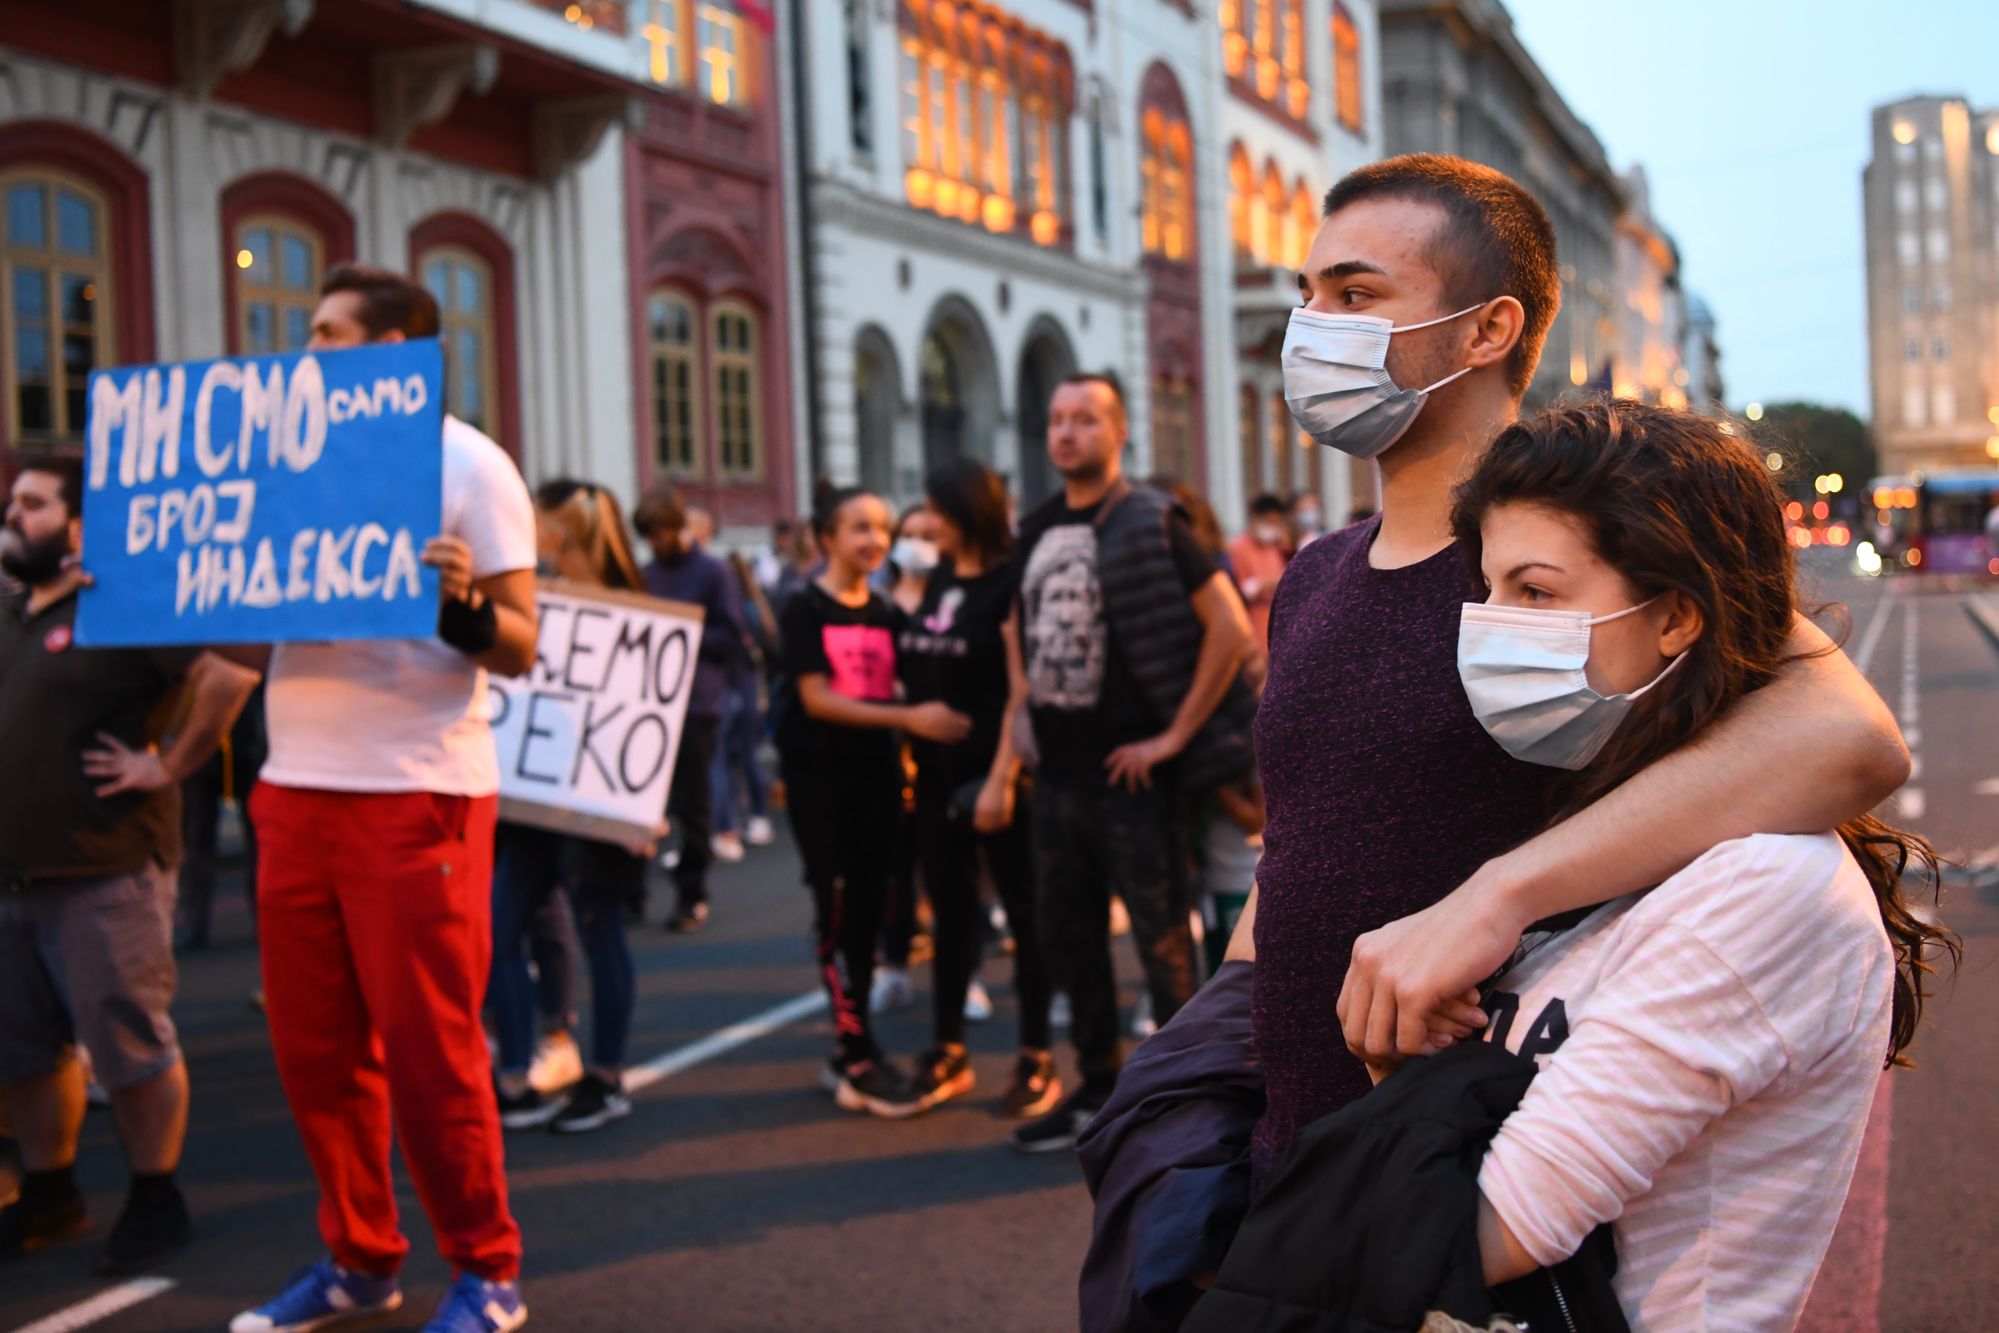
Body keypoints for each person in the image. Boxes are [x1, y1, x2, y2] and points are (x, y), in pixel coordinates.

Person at [1224, 154, 1907, 1190]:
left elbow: (1850, 738)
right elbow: (1301, 834)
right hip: (1290, 1172)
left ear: (1487, 330)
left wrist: (1494, 897)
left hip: (1487, 1185)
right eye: (1308, 295)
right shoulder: (1315, 573)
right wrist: (1205, 1051)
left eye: (1356, 295)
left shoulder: (1572, 557)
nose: (1312, 327)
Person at [1439, 399, 1955, 1328]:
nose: (1490, 624)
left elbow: (1490, 1227)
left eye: (1537, 591)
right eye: (1488, 590)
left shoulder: (1765, 885)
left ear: (1677, 615)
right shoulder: (1605, 829)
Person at [232, 265, 539, 1333]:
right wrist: (144, 585)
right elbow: (238, 625)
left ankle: (487, 1271)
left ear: (398, 347)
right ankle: (361, 1255)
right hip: (293, 787)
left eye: (326, 333)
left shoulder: (468, 462)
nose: (305, 350)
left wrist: (455, 607)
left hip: (416, 794)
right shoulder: (280, 456)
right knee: (314, 1049)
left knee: (429, 1050)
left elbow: (520, 643)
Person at [0, 453, 258, 1272]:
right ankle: (52, 1193)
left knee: (130, 1047)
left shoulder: (125, 605)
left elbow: (228, 672)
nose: (13, 514)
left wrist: (170, 764)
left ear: (78, 527)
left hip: (106, 870)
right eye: (12, 502)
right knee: (27, 1052)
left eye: (33, 504)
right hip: (14, 877)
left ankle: (155, 1195)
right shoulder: (12, 611)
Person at [1001, 372, 1256, 1154]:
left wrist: (1172, 736)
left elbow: (1230, 627)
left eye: (1085, 418)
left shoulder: (1151, 519)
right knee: (1066, 936)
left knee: (1161, 943)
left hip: (1133, 780)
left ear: (1118, 434)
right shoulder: (1036, 526)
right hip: (1058, 777)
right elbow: (1017, 622)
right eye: (1056, 419)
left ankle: (1182, 1106)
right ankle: (1094, 1088)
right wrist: (1019, 706)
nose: (1067, 432)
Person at [775, 485, 971, 1118]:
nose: (874, 540)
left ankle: (852, 1040)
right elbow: (815, 698)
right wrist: (909, 717)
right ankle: (854, 1050)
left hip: (879, 780)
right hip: (821, 782)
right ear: (825, 537)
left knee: (874, 905)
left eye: (882, 528)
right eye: (859, 528)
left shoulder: (888, 614)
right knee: (836, 910)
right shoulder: (804, 608)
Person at [898, 457, 1062, 1117]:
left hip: (997, 779)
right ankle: (947, 1050)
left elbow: (1019, 693)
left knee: (1024, 915)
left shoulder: (1009, 583)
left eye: (937, 510)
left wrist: (1001, 777)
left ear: (968, 511)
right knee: (950, 913)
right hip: (936, 781)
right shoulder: (938, 579)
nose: (926, 522)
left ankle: (1034, 1056)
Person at [490, 482, 654, 1135]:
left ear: (560, 532)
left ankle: (606, 1076)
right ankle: (513, 1074)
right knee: (497, 930)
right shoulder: (531, 600)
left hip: (597, 799)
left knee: (599, 928)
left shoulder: (631, 613)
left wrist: (642, 800)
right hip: (531, 796)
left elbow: (648, 718)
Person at [634, 485, 748, 930]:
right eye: (649, 537)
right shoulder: (648, 574)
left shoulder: (714, 573)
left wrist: (682, 631)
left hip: (697, 703)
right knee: (642, 800)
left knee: (692, 803)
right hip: (650, 701)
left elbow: (732, 637)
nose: (655, 545)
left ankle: (691, 892)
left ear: (679, 529)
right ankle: (633, 891)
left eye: (660, 534)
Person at [173, 686, 264, 952]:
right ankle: (193, 922)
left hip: (246, 748)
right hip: (204, 754)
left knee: (257, 844)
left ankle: (261, 920)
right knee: (196, 840)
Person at [709, 547, 778, 852]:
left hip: (733, 687)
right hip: (746, 689)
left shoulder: (736, 610)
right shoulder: (753, 605)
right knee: (741, 757)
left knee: (727, 759)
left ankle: (731, 823)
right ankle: (754, 816)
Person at [1225, 495, 1292, 652]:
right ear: (1254, 518)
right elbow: (1238, 592)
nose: (1273, 527)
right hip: (1251, 631)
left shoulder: (1273, 548)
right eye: (1268, 522)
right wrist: (1267, 584)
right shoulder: (1238, 548)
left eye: (1276, 522)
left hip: (1275, 632)